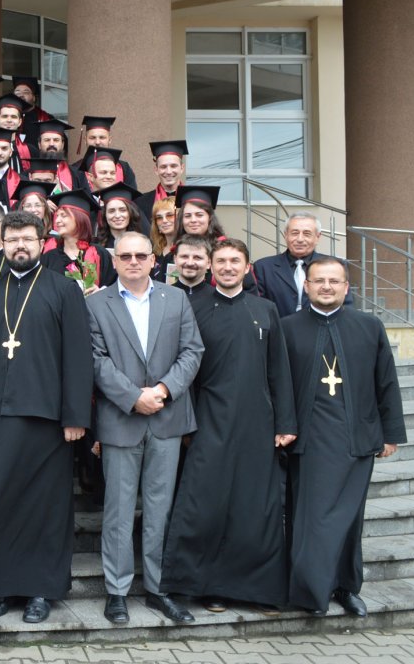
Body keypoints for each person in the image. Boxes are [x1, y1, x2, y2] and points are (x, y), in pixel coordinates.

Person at [0, 211, 92, 624]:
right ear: (3, 243)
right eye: (12, 240)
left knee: (44, 507)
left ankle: (39, 590)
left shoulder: (64, 289)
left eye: (27, 238)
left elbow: (78, 355)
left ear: (42, 242)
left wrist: (75, 416)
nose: (20, 246)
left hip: (48, 418)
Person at [161, 238, 297, 611]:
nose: (227, 267)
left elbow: (279, 370)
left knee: (257, 506)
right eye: (220, 261)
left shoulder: (265, 309)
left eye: (235, 261)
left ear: (247, 267)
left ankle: (259, 590)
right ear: (210, 266)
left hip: (258, 422)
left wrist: (285, 421)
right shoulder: (192, 308)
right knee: (208, 503)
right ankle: (210, 588)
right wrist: (187, 424)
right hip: (209, 421)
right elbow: (183, 370)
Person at [87, 231, 203, 626]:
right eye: (126, 256)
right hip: (121, 419)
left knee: (160, 509)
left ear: (154, 259)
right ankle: (117, 591)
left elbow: (192, 351)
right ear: (114, 261)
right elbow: (96, 359)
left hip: (167, 418)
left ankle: (158, 588)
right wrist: (133, 397)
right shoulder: (96, 303)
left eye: (141, 255)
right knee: (118, 511)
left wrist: (164, 390)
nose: (133, 262)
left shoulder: (177, 298)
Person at [282, 256, 406, 618]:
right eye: (319, 280)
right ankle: (309, 591)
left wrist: (391, 433)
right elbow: (277, 385)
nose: (326, 287)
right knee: (310, 519)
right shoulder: (287, 327)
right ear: (306, 286)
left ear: (346, 287)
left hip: (357, 439)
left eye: (334, 281)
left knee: (350, 520)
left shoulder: (369, 326)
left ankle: (346, 587)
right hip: (307, 441)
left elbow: (386, 381)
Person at [253, 211, 352, 317]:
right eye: (295, 233)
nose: (300, 239)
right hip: (278, 326)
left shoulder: (335, 265)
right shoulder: (264, 267)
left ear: (317, 237)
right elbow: (258, 306)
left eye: (307, 234)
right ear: (286, 235)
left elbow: (345, 304)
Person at [42, 190, 114, 292]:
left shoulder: (100, 254)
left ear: (79, 218)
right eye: (57, 216)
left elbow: (113, 288)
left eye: (63, 215)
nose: (57, 220)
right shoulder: (49, 258)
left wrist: (100, 292)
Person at [135, 140, 188, 224]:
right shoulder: (140, 203)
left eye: (173, 166)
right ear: (156, 170)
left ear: (182, 168)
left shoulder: (193, 201)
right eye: (163, 167)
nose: (169, 171)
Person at [77, 116, 137, 189]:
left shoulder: (124, 168)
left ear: (110, 140)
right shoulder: (75, 169)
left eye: (102, 137)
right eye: (92, 138)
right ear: (85, 140)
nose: (97, 142)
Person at [95, 183, 145, 249]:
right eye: (111, 211)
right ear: (105, 215)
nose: (117, 215)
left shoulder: (143, 243)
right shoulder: (95, 246)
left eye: (122, 210)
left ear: (130, 213)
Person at [148, 197, 178, 276]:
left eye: (170, 215)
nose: (164, 220)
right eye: (159, 217)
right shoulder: (153, 251)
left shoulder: (188, 250)